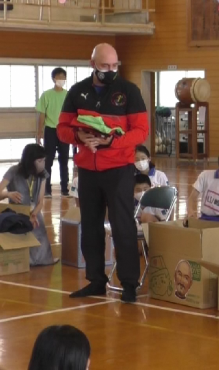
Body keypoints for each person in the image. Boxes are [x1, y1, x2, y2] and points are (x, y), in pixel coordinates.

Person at [57, 43, 149, 303]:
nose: (110, 70)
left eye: (114, 66)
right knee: (90, 226)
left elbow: (141, 131)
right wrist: (78, 136)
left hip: (119, 169)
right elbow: (62, 128)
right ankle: (96, 280)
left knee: (123, 227)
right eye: (104, 66)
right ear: (92, 64)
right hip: (87, 170)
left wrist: (112, 142)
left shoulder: (129, 91)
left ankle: (130, 284)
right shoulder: (77, 92)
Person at [0, 144, 57, 266]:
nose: (43, 164)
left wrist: (34, 214)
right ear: (31, 161)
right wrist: (7, 194)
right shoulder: (13, 172)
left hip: (34, 214)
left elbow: (41, 201)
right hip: (17, 215)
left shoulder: (43, 174)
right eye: (40, 161)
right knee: (21, 251)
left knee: (42, 255)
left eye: (44, 160)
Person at [37, 67, 72, 198]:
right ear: (53, 79)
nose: (61, 80)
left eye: (63, 77)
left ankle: (64, 189)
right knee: (48, 161)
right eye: (59, 77)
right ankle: (47, 190)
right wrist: (39, 131)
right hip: (50, 130)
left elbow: (72, 114)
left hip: (64, 130)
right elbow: (41, 114)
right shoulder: (46, 95)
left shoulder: (68, 95)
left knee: (64, 160)